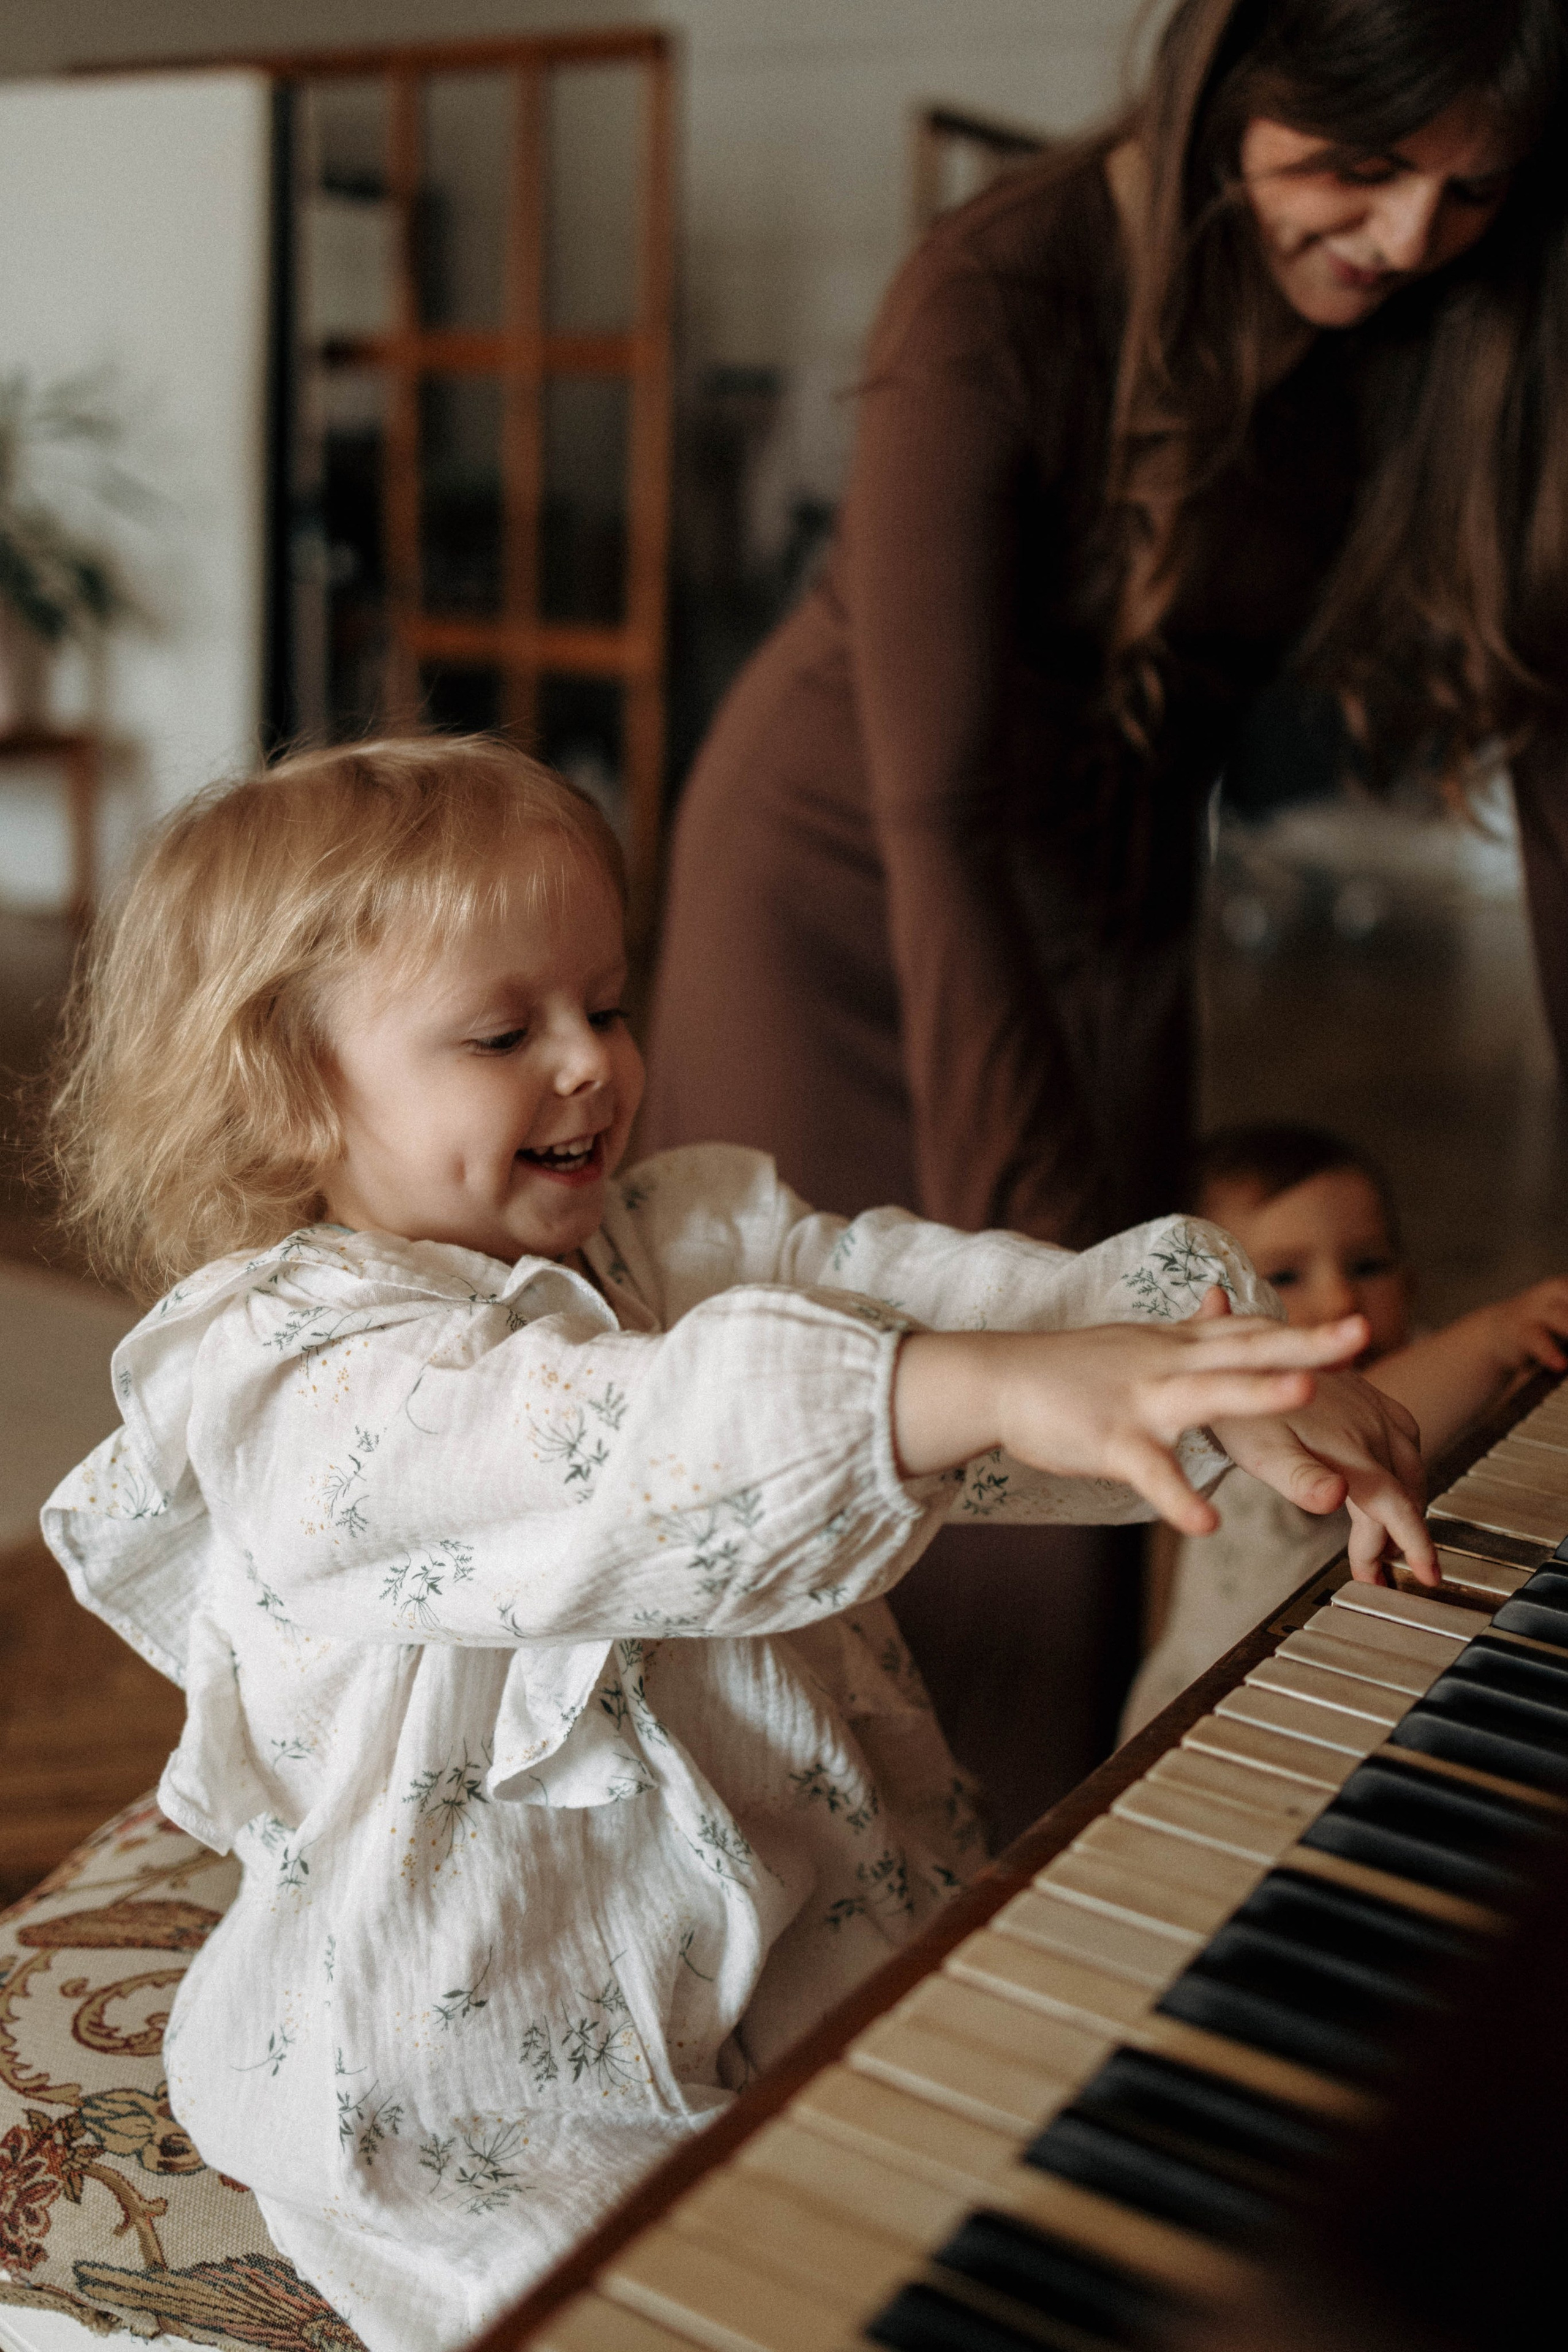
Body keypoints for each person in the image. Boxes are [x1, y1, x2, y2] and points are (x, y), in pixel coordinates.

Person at [39, 740, 1429, 2352]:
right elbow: (611, 1443)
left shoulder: (673, 1233)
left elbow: (916, 1292)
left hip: (814, 1925)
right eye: (504, 1034)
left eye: (605, 1004)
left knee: (1041, 2180)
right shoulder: (288, 1369)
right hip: (472, 2051)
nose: (590, 1064)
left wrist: (1176, 1361)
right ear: (289, 1095)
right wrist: (966, 1391)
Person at [640, 0, 1568, 1822]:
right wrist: (1077, 1302)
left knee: (1096, 1501)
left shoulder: (1469, 296)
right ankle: (813, 1890)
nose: (1405, 240)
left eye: (1467, 192)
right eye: (1360, 165)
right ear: (1230, 77)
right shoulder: (996, 293)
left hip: (1112, 899)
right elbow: (943, 819)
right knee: (923, 1403)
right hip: (847, 891)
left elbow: (1552, 736)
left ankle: (1020, 1884)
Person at [1123, 1121, 1568, 1734]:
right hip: (1221, 1726)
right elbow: (1370, 1420)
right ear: (1207, 1321)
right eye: (1283, 1277)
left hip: (1371, 1693)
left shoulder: (1417, 1355)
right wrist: (1492, 1339)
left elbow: (1474, 1416)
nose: (1341, 1300)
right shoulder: (1236, 1420)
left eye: (1368, 1265)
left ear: (1409, 1283)